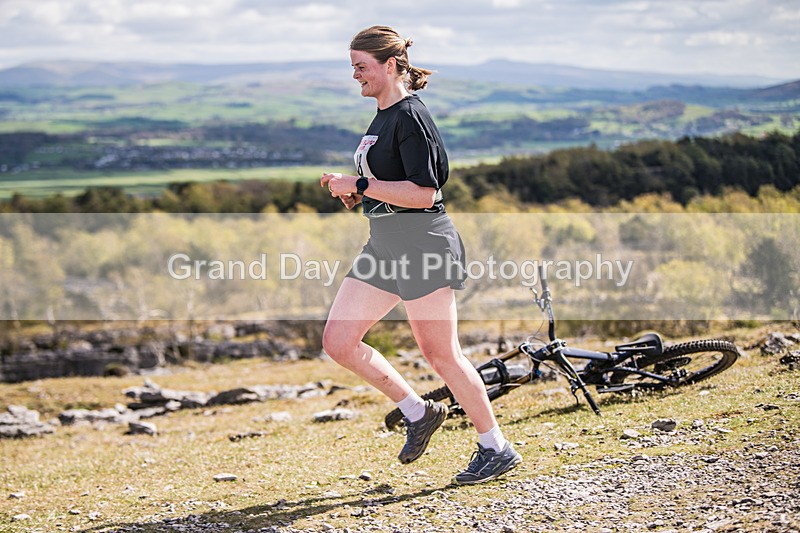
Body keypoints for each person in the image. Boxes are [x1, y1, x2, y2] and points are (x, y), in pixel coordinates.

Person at [320, 25, 521, 485]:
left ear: (389, 65)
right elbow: (390, 186)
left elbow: (426, 192)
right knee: (339, 342)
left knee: (441, 354)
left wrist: (361, 185)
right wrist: (356, 194)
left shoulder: (411, 116)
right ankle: (418, 412)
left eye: (361, 67)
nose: (355, 75)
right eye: (353, 67)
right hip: (385, 244)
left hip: (424, 244)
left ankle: (496, 447)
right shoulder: (382, 115)